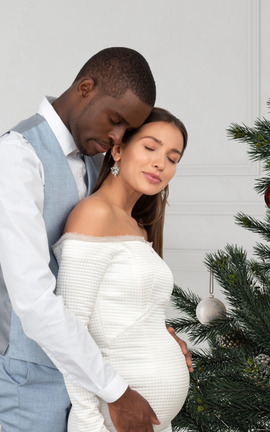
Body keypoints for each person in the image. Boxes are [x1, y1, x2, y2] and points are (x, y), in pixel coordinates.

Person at [0, 47, 191, 432]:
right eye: (116, 120)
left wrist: (155, 338)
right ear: (86, 88)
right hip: (30, 389)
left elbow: (100, 286)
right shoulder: (15, 157)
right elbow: (34, 301)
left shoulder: (94, 156)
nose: (117, 136)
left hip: (84, 386)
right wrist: (117, 392)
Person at [53, 107, 190, 432]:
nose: (161, 163)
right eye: (150, 147)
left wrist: (168, 340)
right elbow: (70, 329)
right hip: (109, 419)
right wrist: (88, 422)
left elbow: (132, 314)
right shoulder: (94, 214)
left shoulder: (138, 227)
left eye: (173, 158)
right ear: (117, 149)